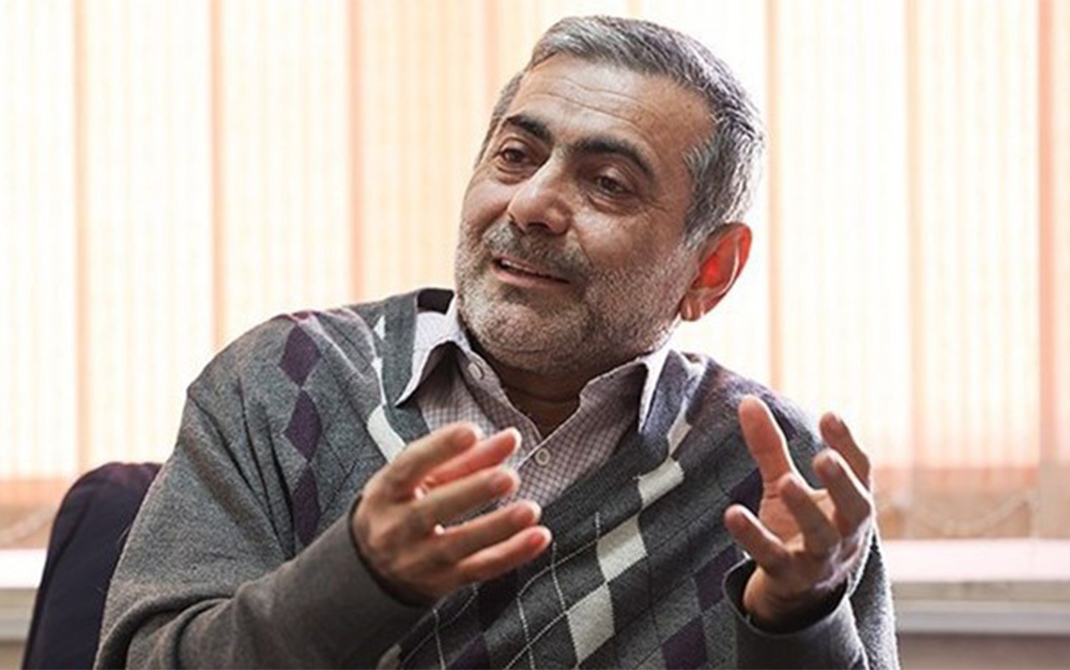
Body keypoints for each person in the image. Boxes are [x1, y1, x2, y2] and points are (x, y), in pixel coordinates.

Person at [95, 15, 898, 669]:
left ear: (710, 269)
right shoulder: (280, 383)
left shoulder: (776, 474)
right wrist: (356, 579)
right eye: (516, 156)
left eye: (607, 184)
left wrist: (799, 621)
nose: (533, 205)